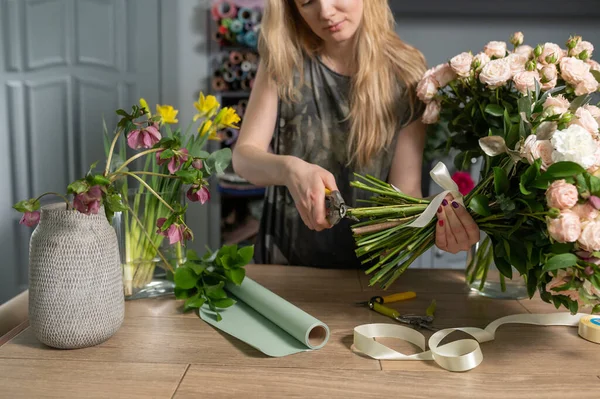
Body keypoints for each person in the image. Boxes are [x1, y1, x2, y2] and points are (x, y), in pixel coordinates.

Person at [232, 0, 479, 269]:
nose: (326, 12)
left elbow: (405, 193)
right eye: (306, 2)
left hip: (368, 271)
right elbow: (244, 158)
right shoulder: (283, 60)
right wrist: (289, 169)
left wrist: (438, 222)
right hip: (284, 266)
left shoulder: (405, 72)